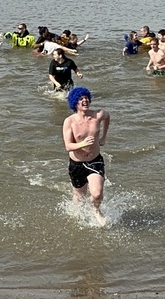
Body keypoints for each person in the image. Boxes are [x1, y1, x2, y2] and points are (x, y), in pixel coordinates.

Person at [62, 87, 111, 226]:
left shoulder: (98, 115)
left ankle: (97, 210)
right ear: (74, 103)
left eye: (86, 98)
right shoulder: (69, 121)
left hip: (95, 160)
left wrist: (103, 137)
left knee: (96, 193)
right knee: (79, 195)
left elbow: (108, 117)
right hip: (76, 163)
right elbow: (68, 146)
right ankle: (76, 215)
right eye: (81, 99)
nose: (85, 100)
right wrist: (82, 143)